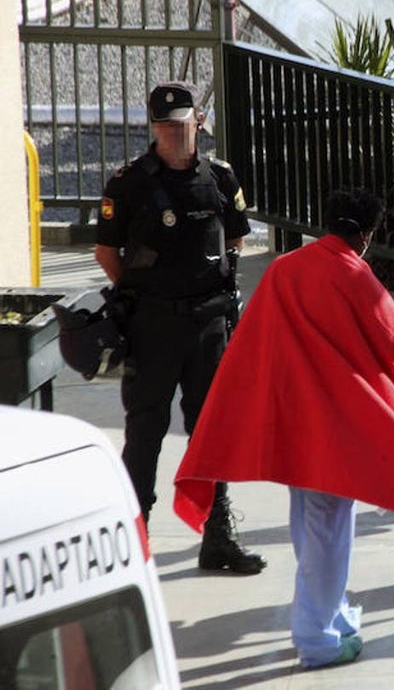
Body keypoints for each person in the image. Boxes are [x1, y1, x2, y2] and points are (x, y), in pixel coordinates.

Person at [173, 188, 394, 669]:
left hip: (292, 423)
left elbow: (253, 340)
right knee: (331, 530)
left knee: (309, 527)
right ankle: (318, 636)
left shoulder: (284, 269)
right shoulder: (356, 276)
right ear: (366, 235)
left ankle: (326, 616)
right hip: (336, 428)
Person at [94, 81, 264, 574]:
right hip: (152, 325)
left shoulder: (221, 178)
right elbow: (107, 251)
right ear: (153, 127)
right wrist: (140, 292)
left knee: (211, 432)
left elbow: (235, 240)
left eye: (180, 124)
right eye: (163, 125)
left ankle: (217, 536)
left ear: (199, 122)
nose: (171, 133)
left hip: (208, 324)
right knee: (145, 430)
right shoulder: (128, 183)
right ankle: (135, 538)